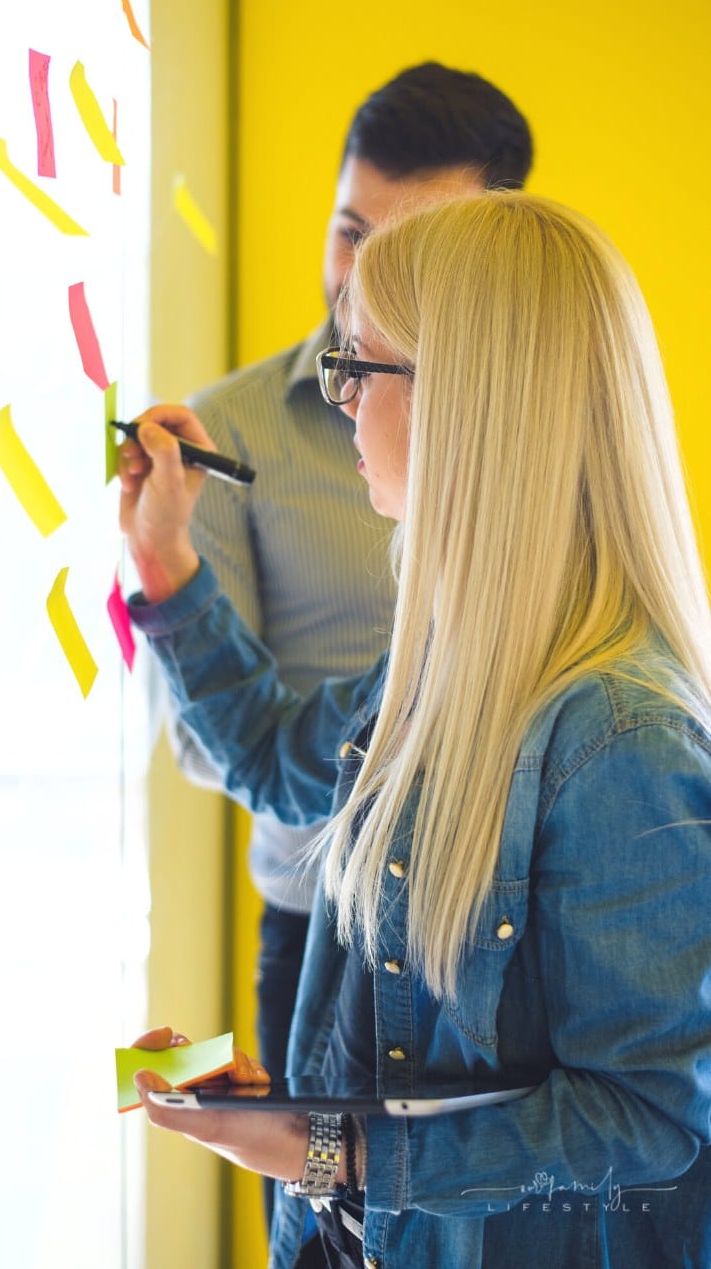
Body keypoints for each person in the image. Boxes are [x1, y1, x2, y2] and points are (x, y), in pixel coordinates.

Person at [118, 192, 711, 1268]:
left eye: (362, 367)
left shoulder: (621, 738)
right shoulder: (442, 668)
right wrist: (162, 553)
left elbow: (653, 1125)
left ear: (472, 405)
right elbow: (275, 761)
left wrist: (324, 1148)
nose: (339, 401)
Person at [169, 63, 534, 1157]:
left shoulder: (546, 490)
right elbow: (241, 753)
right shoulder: (222, 436)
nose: (360, 281)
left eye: (412, 248)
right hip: (320, 927)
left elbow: (627, 1128)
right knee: (328, 1207)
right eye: (348, 233)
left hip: (488, 939)